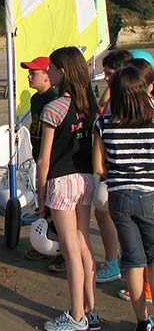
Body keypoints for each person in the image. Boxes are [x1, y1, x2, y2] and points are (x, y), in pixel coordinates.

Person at [37, 47, 100, 331]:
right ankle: (90, 309)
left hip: (62, 181)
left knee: (71, 250)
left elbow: (44, 159)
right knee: (83, 243)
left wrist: (41, 197)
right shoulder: (90, 104)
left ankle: (76, 316)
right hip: (86, 179)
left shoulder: (55, 107)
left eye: (51, 67)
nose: (48, 71)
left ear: (62, 71)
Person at [93, 65, 154, 331]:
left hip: (118, 196)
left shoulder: (104, 121)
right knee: (153, 259)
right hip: (151, 193)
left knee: (133, 260)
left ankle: (142, 321)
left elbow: (98, 167)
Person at [93, 50, 133, 284]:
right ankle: (117, 263)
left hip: (119, 174)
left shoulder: (122, 105)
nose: (105, 78)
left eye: (109, 74)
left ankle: (116, 264)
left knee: (124, 222)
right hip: (125, 175)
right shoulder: (130, 99)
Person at [19, 56, 63, 271]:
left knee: (55, 206)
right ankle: (43, 244)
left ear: (47, 75)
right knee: (41, 202)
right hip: (38, 157)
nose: (29, 75)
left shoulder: (55, 98)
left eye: (34, 72)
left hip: (54, 161)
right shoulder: (37, 99)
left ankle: (61, 250)